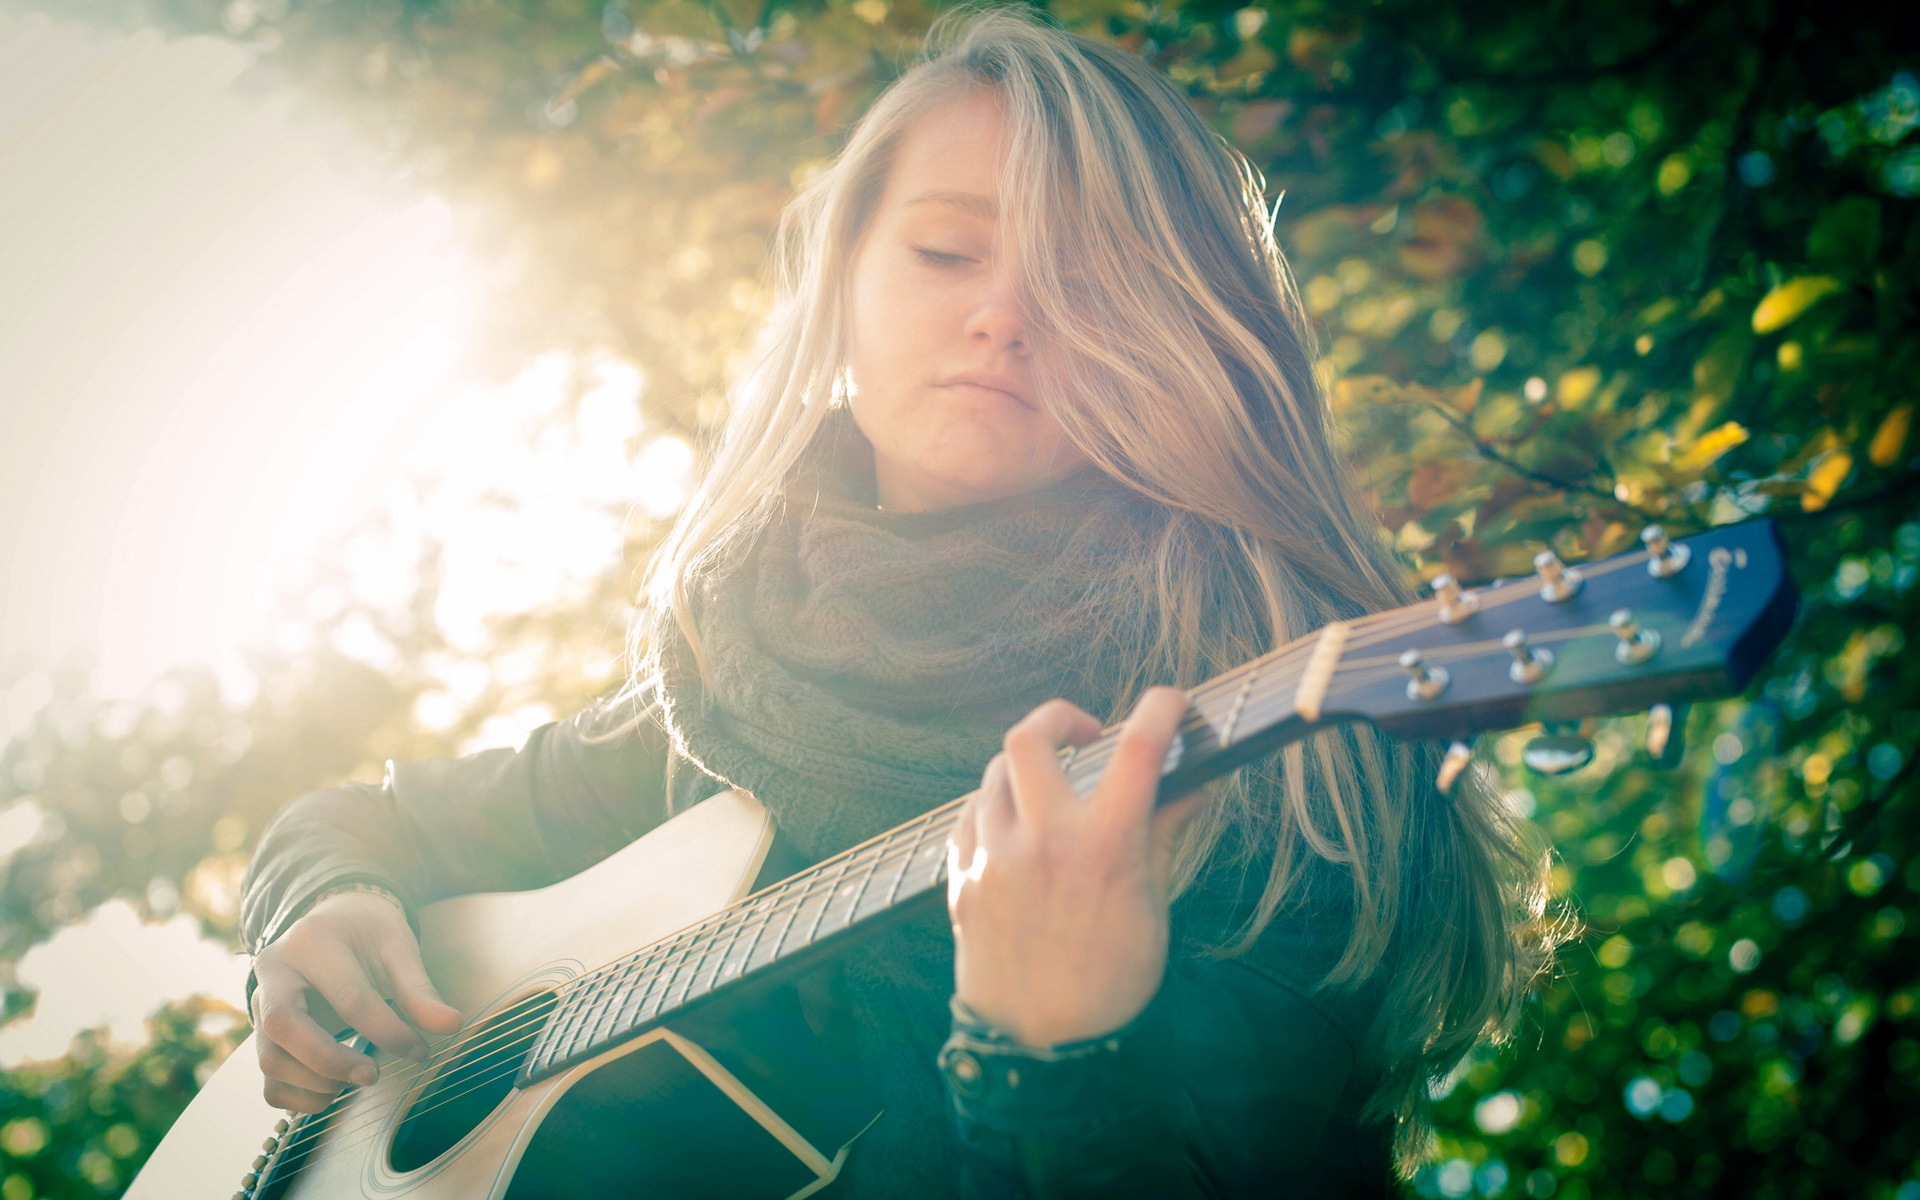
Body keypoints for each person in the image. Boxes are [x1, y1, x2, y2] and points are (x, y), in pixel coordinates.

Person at [239, 6, 1550, 1196]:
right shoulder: (728, 681)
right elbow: (369, 817)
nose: (1003, 315)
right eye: (943, 249)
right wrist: (318, 899)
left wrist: (1057, 1056)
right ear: (840, 282)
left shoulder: (1283, 783)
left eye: (1085, 282)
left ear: (1181, 335)